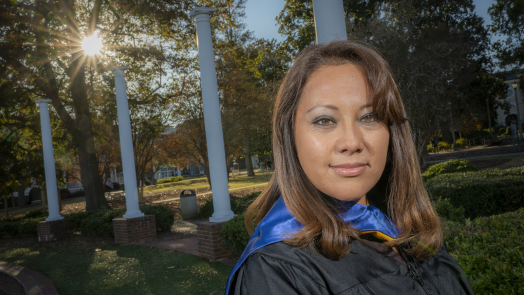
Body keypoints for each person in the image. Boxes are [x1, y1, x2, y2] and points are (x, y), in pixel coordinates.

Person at [226, 40, 472, 295]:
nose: (352, 142)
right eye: (324, 120)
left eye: (369, 117)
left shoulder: (410, 230)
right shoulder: (275, 271)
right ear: (290, 135)